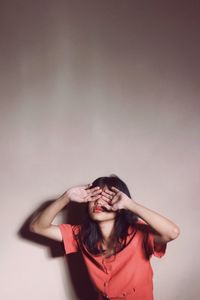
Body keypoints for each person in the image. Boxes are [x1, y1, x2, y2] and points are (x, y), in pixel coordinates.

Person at [30, 175, 180, 300]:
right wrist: (66, 198)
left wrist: (129, 204)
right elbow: (38, 227)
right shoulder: (81, 235)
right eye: (95, 196)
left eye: (108, 197)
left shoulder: (138, 233)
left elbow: (172, 232)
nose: (99, 202)